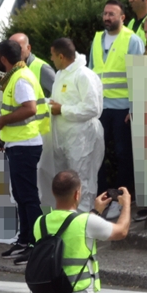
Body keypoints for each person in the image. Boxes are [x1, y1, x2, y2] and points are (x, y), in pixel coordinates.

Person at [0, 38, 50, 264]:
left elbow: (30, 108)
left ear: (4, 59)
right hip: (18, 144)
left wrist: (3, 120)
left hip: (25, 146)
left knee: (27, 197)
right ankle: (25, 240)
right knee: (20, 195)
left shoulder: (20, 78)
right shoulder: (17, 75)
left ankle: (36, 245)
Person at [88, 0, 143, 209]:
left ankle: (122, 198)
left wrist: (134, 107)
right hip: (100, 108)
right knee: (98, 155)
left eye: (112, 14)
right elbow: (91, 74)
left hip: (122, 109)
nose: (107, 17)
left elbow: (138, 77)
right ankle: (102, 198)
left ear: (122, 18)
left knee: (122, 154)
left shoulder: (132, 40)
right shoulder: (97, 39)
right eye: (105, 14)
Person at [48, 38, 104, 213]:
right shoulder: (60, 74)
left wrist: (62, 109)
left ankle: (84, 222)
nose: (51, 59)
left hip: (82, 138)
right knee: (65, 181)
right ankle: (67, 220)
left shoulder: (83, 75)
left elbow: (92, 108)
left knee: (82, 180)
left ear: (62, 56)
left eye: (53, 56)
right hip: (64, 138)